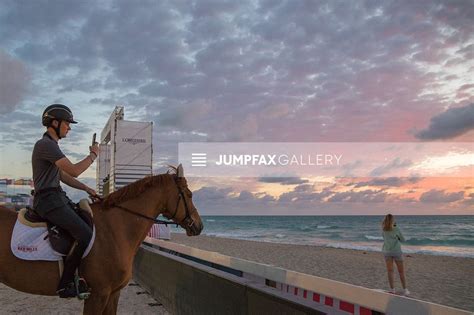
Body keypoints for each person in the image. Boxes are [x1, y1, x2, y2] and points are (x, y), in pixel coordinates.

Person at [32, 104, 99, 298]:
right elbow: (74, 170)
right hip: (48, 200)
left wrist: (85, 188)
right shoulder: (45, 145)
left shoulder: (52, 147)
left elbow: (63, 175)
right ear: (55, 122)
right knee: (85, 234)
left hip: (57, 196)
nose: (69, 127)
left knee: (86, 222)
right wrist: (93, 154)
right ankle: (65, 283)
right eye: (67, 124)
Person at [382, 213, 409, 295]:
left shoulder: (383, 229)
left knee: (390, 271)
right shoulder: (396, 228)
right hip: (396, 251)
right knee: (401, 272)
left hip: (387, 251)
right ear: (392, 220)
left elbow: (384, 238)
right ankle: (405, 290)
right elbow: (403, 239)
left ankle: (392, 289)